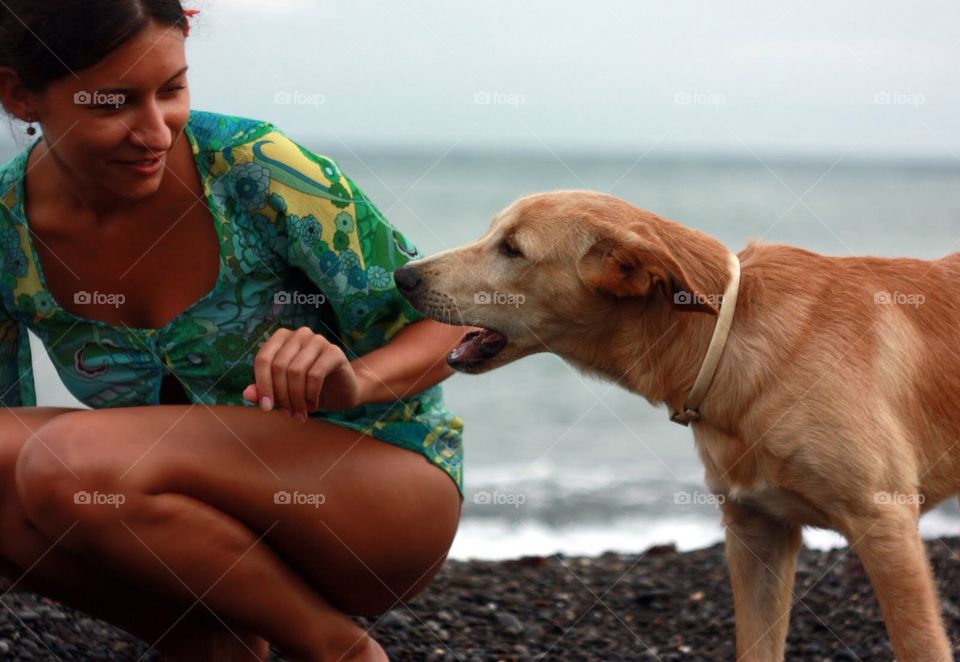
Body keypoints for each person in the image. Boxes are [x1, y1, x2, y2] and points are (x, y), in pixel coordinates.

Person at [0, 2, 468, 660]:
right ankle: (211, 643)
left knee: (64, 461)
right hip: (183, 532)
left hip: (375, 492)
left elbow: (454, 327)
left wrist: (354, 381)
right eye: (114, 104)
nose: (155, 131)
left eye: (172, 90)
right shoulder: (5, 227)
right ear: (20, 95)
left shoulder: (254, 168)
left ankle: (338, 651)